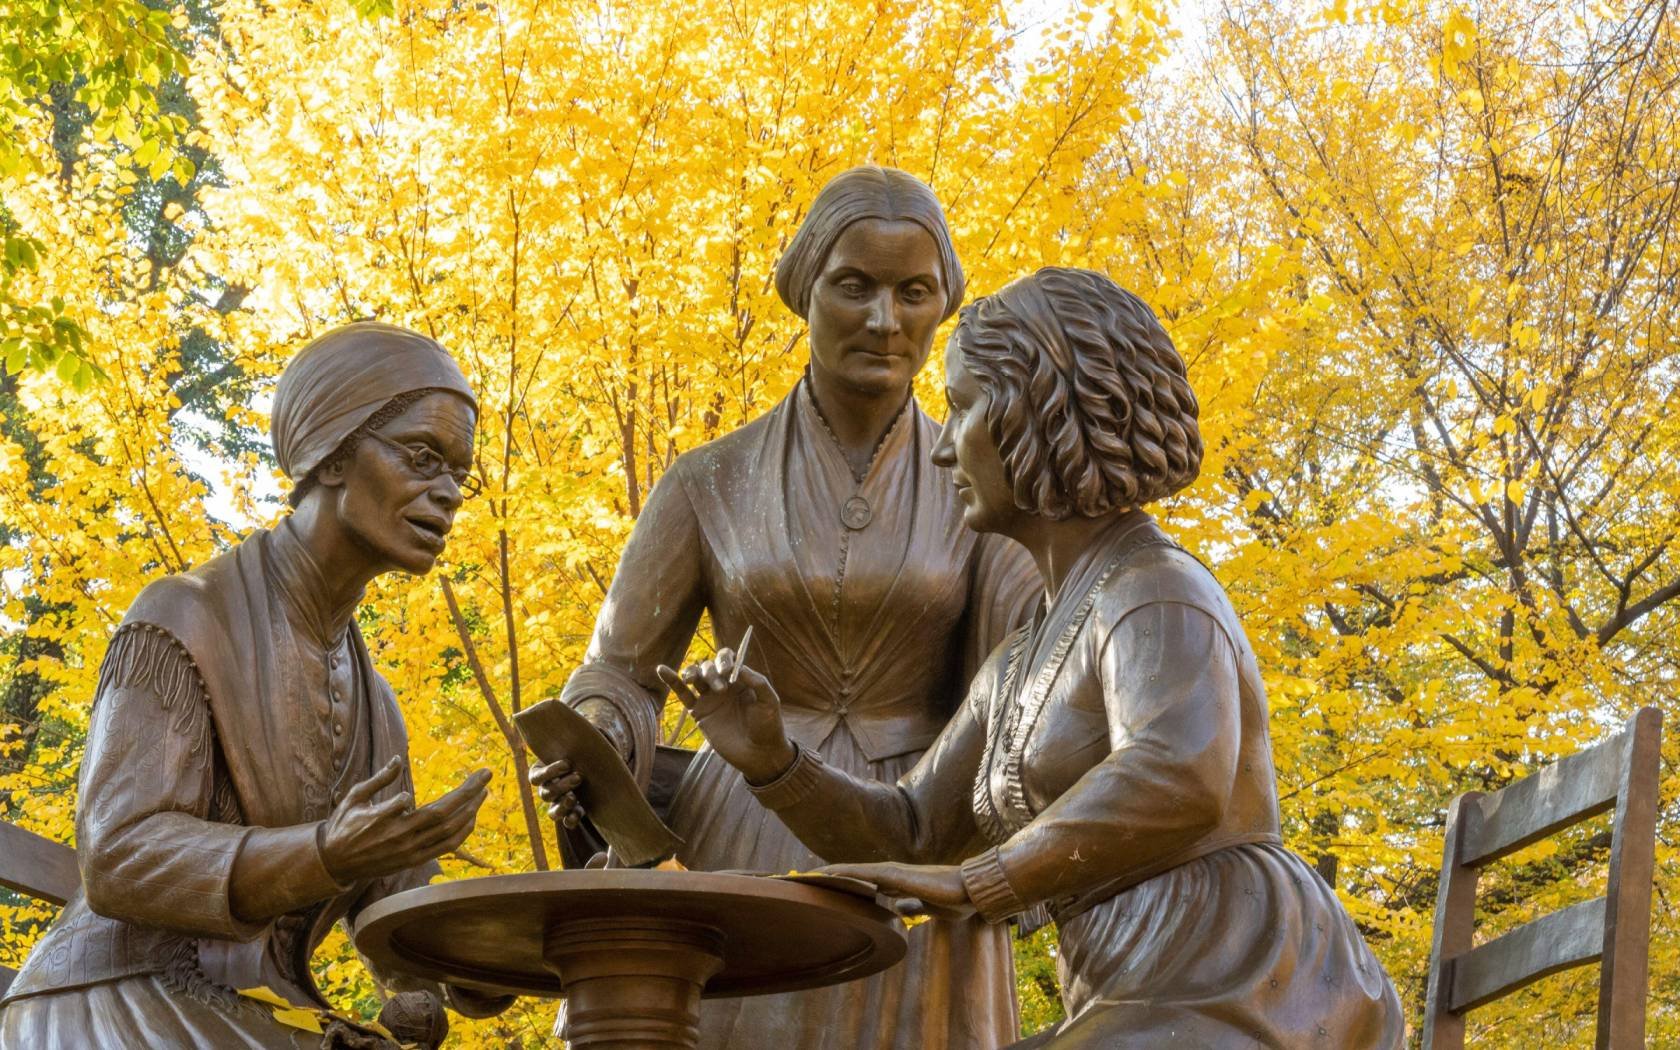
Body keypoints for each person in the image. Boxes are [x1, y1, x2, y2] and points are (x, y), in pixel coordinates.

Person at [659, 269, 1408, 1048]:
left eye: (963, 408)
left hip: (1243, 983)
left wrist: (982, 880)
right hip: (1139, 995)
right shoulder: (1020, 661)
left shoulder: (1154, 589)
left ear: (1042, 414)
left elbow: (1180, 770)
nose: (943, 448)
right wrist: (774, 761)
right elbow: (911, 827)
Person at [531, 166, 1039, 1050]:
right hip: (745, 825)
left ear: (943, 307)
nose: (884, 320)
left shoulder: (984, 485)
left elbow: (1026, 676)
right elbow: (618, 666)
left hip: (918, 836)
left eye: (914, 292)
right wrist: (602, 735)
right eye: (855, 286)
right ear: (806, 288)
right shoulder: (708, 479)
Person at [0, 322, 511, 1049]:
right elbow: (119, 856)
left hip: (266, 1011)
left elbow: (394, 920)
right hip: (116, 1004)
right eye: (423, 456)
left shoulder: (379, 706)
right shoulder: (185, 615)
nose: (450, 493)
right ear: (331, 454)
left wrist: (512, 941)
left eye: (460, 473)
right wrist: (323, 853)